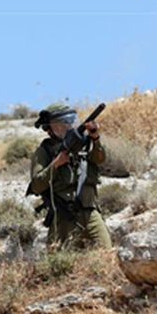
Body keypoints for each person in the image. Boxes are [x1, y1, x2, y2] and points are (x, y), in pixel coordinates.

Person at [27, 103, 112, 250]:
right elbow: (36, 185)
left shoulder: (84, 143)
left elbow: (100, 159)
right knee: (61, 260)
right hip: (64, 215)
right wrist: (56, 165)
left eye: (68, 122)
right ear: (50, 130)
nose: (66, 127)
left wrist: (95, 138)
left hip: (90, 211)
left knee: (106, 253)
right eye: (59, 125)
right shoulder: (44, 151)